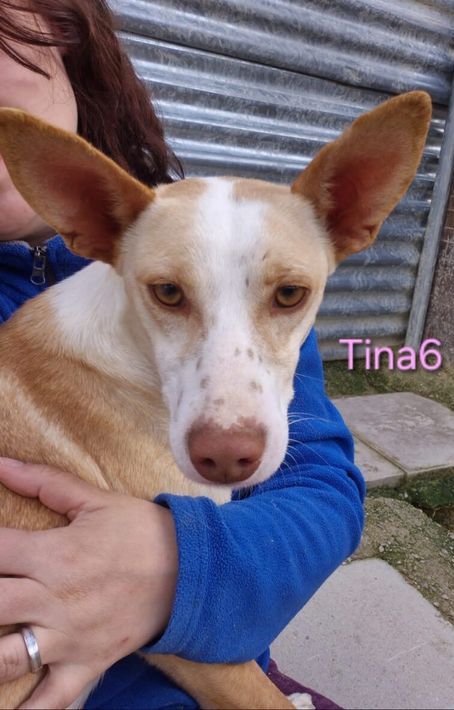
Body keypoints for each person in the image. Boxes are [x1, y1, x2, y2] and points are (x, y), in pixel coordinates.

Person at [0, 1, 365, 709]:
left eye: (288, 296)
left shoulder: (240, 253)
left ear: (75, 64)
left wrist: (178, 569)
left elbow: (324, 489)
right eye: (168, 293)